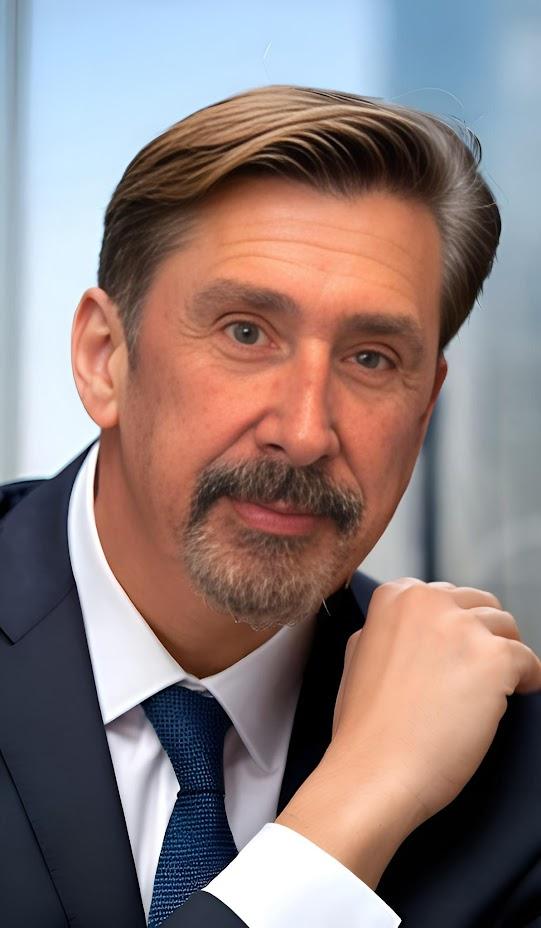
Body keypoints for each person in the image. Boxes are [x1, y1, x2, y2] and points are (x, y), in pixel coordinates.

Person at [1, 85, 540, 928]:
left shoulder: (510, 773)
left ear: (424, 407)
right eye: (246, 333)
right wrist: (351, 809)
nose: (304, 431)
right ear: (106, 358)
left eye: (370, 358)